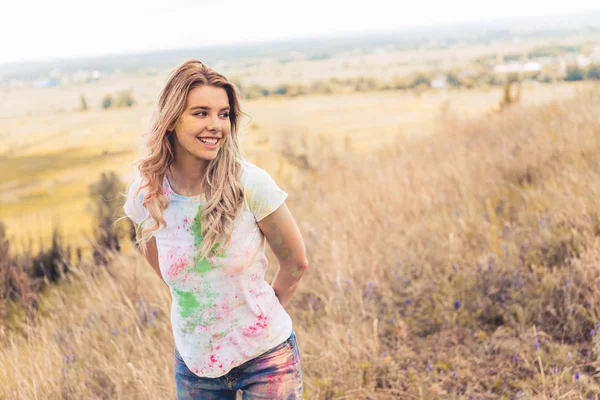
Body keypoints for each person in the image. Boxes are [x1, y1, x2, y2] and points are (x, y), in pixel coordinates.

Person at [122, 59, 308, 399]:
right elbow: (162, 266)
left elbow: (296, 262)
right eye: (200, 113)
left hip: (266, 359)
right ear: (171, 118)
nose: (216, 125)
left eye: (224, 114)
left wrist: (261, 315)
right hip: (195, 366)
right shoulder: (146, 196)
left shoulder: (250, 184)